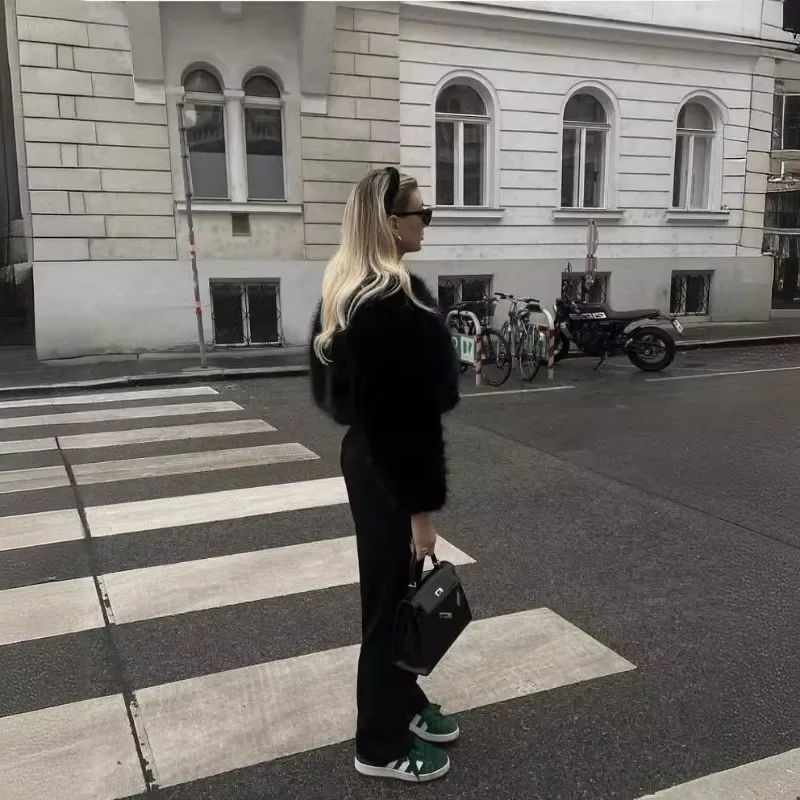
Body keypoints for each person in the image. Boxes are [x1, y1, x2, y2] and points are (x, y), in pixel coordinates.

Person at [309, 167, 461, 783]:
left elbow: (334, 395)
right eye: (421, 213)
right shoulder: (392, 304)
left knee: (394, 594)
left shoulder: (347, 291)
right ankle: (378, 744)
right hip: (390, 466)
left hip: (366, 454)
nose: (427, 222)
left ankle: (405, 701)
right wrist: (421, 513)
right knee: (387, 605)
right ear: (391, 225)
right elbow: (410, 419)